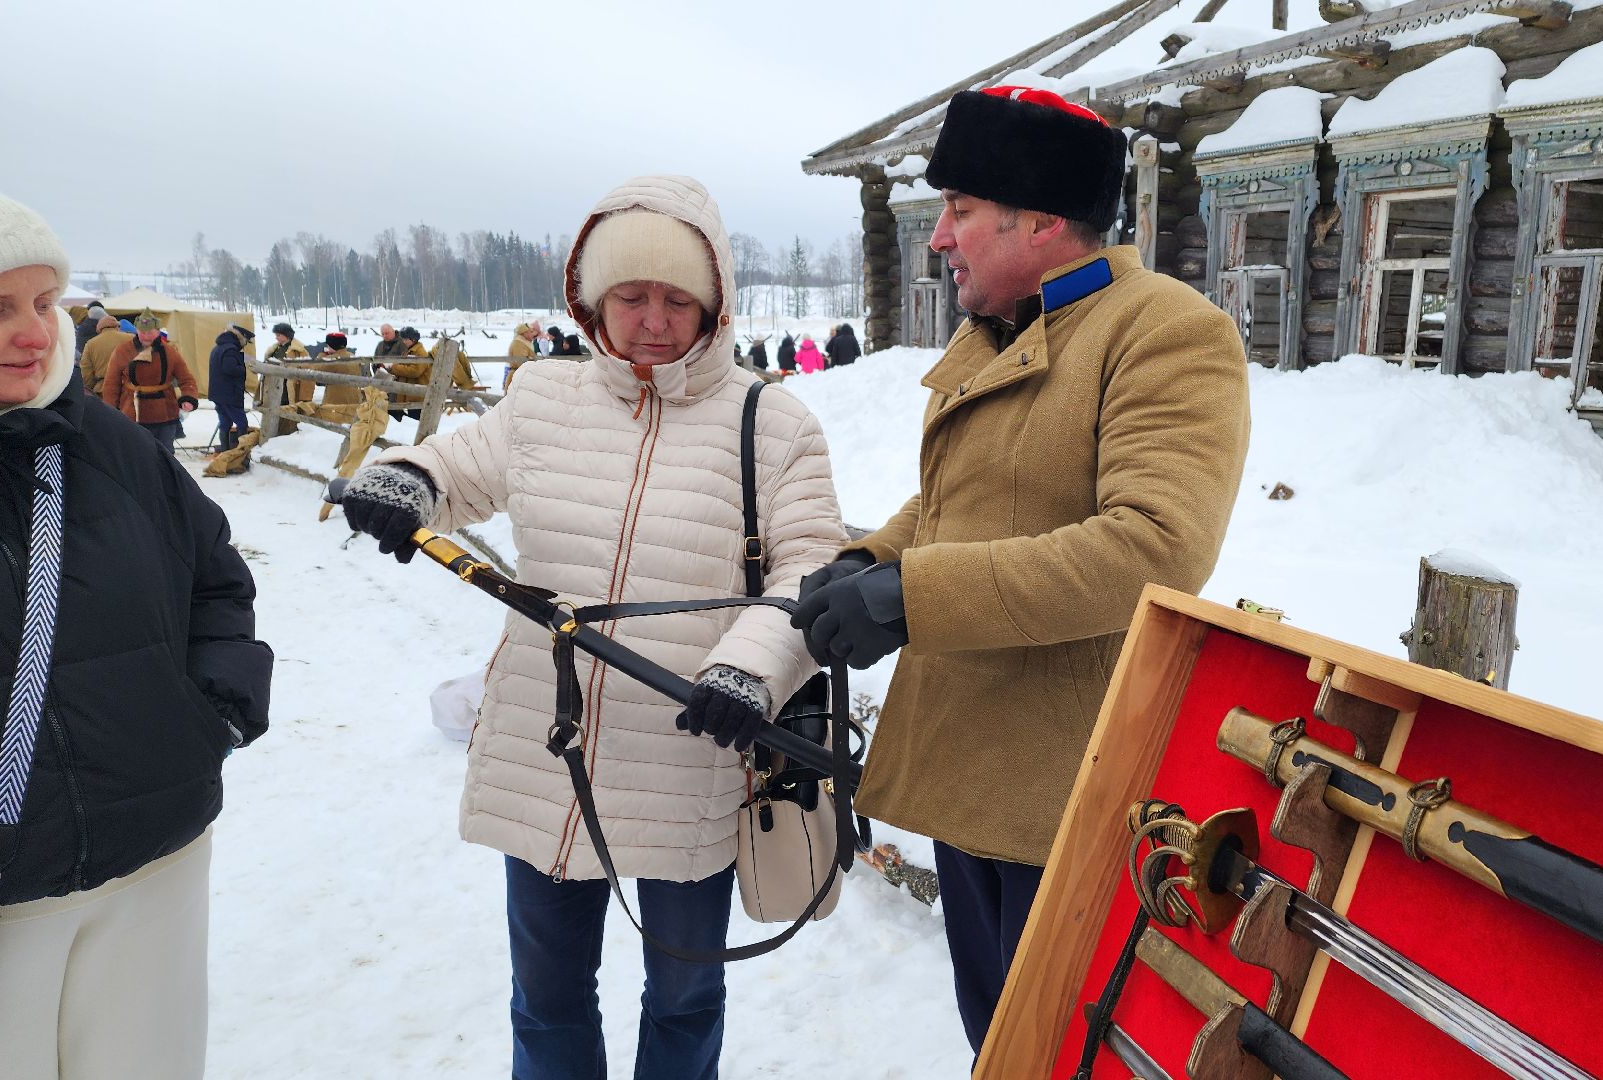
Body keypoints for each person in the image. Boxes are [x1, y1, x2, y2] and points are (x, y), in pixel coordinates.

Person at [336, 174, 845, 1080]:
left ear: (714, 304)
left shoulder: (774, 423)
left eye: (676, 298)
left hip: (689, 752)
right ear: (593, 300)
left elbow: (812, 567)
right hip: (548, 752)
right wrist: (410, 478)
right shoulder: (543, 400)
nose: (653, 319)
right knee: (547, 994)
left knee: (685, 997)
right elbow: (461, 468)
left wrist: (750, 670)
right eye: (631, 296)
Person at [790, 86, 1252, 1054]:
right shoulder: (1004, 331)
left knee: (1056, 1049)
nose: (938, 238)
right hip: (976, 764)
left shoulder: (1161, 328)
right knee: (994, 1040)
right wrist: (868, 558)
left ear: (1041, 220)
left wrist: (912, 597)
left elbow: (1155, 546)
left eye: (959, 211)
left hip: (1069, 782)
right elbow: (958, 500)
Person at [0, 180, 273, 1079]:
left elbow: (216, 584)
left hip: (157, 860)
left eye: (44, 302)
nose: (35, 332)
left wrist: (211, 718)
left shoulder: (107, 449)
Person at [102, 307, 200, 446]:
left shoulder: (170, 352)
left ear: (158, 331)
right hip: (132, 413)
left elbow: (186, 379)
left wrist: (189, 397)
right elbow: (112, 384)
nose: (146, 336)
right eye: (142, 332)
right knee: (136, 454)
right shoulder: (122, 351)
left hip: (165, 413)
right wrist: (110, 412)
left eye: (150, 332)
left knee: (165, 455)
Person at [208, 322, 254, 453]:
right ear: (242, 338)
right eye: (246, 341)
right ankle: (240, 454)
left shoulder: (219, 348)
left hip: (219, 394)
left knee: (225, 423)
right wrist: (243, 369)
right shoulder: (230, 349)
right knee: (242, 423)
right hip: (229, 395)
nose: (245, 345)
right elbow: (230, 369)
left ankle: (225, 452)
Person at [77, 314, 125, 399]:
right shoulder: (130, 339)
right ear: (117, 326)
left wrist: (91, 389)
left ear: (99, 329)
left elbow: (86, 374)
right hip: (126, 389)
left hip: (103, 391)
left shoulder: (91, 344)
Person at [506, 320, 539, 387]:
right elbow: (521, 363)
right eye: (531, 332)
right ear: (524, 333)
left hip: (522, 376)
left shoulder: (524, 342)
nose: (533, 334)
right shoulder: (519, 343)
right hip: (518, 378)